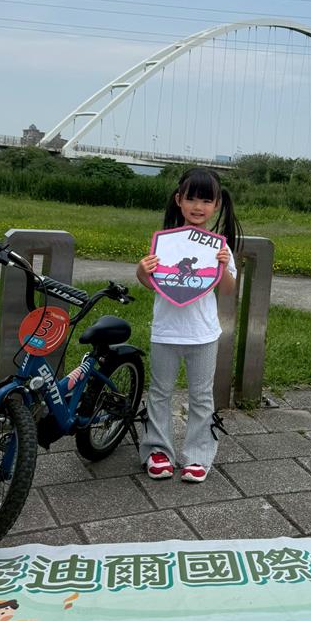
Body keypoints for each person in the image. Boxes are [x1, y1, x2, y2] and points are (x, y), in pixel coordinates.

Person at [136, 168, 241, 484]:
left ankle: (198, 455)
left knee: (201, 396)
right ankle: (158, 451)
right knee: (159, 392)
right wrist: (141, 271)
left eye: (206, 200)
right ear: (178, 200)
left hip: (203, 333)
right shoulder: (166, 243)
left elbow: (228, 290)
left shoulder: (219, 248)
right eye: (192, 198)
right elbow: (153, 283)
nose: (198, 207)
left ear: (217, 205)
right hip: (166, 331)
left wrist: (223, 266)